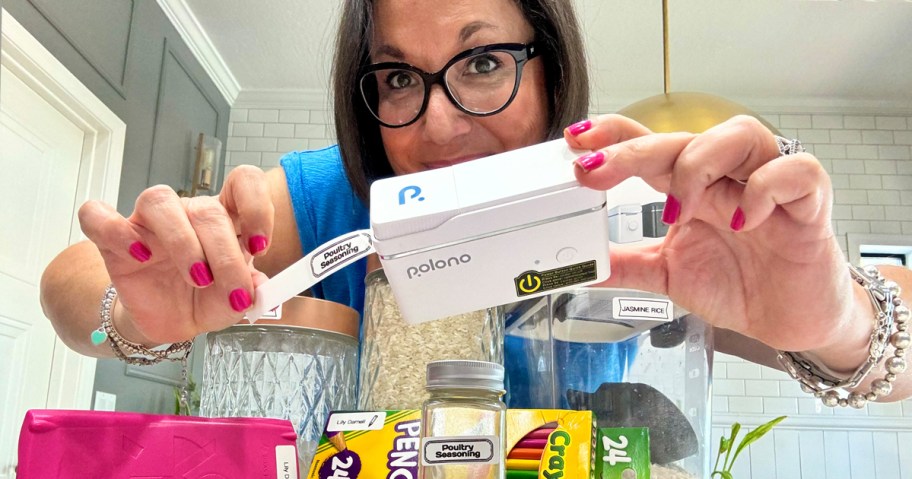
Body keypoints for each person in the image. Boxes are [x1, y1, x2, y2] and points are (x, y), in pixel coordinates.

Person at [41, 0, 910, 407]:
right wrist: (140, 310)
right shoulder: (331, 198)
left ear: (550, 61)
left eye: (483, 62)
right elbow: (71, 282)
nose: (442, 122)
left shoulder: (652, 211)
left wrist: (838, 322)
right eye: (396, 78)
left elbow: (892, 349)